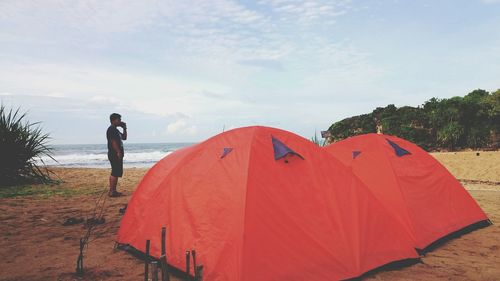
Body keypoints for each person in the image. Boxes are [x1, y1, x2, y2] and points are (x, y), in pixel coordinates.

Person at [107, 113, 127, 197]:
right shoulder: (111, 129)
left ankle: (113, 190)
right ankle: (112, 191)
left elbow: (124, 138)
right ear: (113, 120)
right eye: (118, 120)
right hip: (114, 153)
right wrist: (118, 152)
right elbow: (113, 142)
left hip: (117, 153)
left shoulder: (116, 130)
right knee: (115, 172)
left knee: (117, 171)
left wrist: (124, 128)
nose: (120, 121)